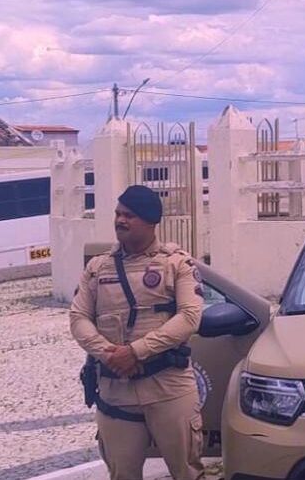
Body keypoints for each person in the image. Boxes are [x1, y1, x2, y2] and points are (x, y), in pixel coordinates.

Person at [70, 185, 205, 480]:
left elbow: (189, 317)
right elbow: (78, 318)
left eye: (128, 215)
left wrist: (135, 352)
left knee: (188, 472)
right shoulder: (97, 268)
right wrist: (109, 354)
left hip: (169, 388)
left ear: (150, 220)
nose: (120, 220)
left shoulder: (177, 264)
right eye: (118, 214)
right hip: (115, 391)